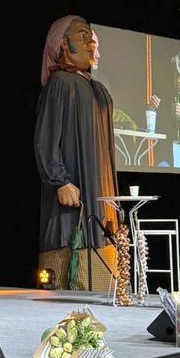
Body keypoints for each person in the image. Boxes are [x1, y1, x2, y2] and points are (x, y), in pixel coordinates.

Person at [34, 15, 119, 285]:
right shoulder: (60, 83)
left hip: (101, 195)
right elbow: (46, 139)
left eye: (91, 36)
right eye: (83, 35)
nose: (91, 42)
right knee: (70, 266)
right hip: (72, 195)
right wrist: (59, 181)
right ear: (62, 44)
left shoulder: (100, 91)